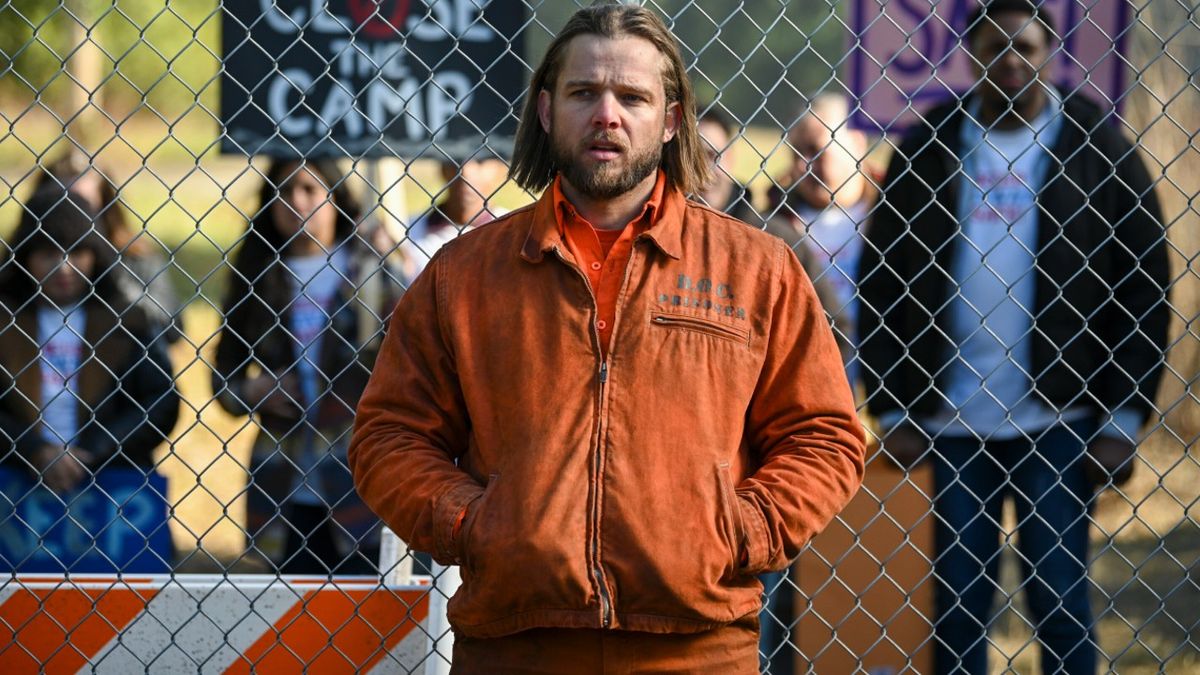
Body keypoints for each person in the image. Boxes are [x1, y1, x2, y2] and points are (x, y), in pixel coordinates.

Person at [350, 3, 866, 672]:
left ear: (672, 118)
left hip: (697, 648)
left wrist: (739, 529)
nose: (607, 114)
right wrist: (473, 524)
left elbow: (824, 435)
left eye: (632, 96)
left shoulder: (756, 269)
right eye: (584, 93)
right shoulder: (464, 275)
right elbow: (389, 435)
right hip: (514, 644)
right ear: (545, 109)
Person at [856, 2, 1170, 673]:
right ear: (968, 53)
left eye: (1025, 47)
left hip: (1059, 419)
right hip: (948, 421)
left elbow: (1145, 286)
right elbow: (878, 281)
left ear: (1051, 52)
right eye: (995, 47)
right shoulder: (929, 146)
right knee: (954, 603)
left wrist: (1122, 417)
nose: (1010, 62)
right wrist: (891, 407)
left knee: (1059, 598)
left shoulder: (1097, 145)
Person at [212, 158, 400, 575]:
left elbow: (415, 352)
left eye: (310, 190)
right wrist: (251, 393)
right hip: (283, 484)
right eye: (283, 190)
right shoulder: (257, 277)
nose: (295, 201)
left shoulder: (369, 270)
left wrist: (395, 261)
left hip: (360, 477)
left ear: (335, 199)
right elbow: (222, 377)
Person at [0, 188, 180, 567]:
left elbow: (161, 403)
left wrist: (94, 451)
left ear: (96, 257)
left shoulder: (128, 322)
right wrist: (34, 451)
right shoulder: (5, 319)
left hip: (112, 487)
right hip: (13, 485)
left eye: (77, 253)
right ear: (25, 256)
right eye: (49, 253)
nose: (63, 267)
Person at [33, 149, 184, 344]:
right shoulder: (27, 260)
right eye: (60, 203)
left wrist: (113, 277)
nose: (70, 215)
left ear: (105, 204)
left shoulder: (135, 257)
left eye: (84, 204)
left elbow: (172, 328)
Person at [394, 155, 508, 286]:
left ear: (500, 168)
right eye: (456, 159)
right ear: (442, 168)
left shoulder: (513, 233)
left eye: (480, 160)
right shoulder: (407, 231)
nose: (466, 172)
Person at [695, 106, 758, 224]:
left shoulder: (768, 234)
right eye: (692, 158)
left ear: (730, 157)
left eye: (712, 155)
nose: (703, 170)